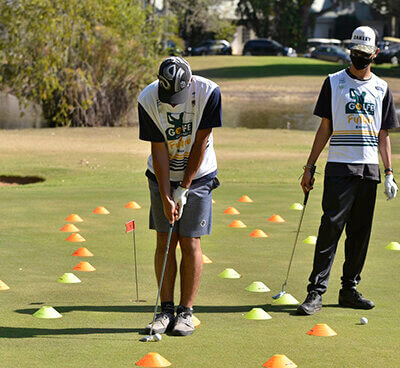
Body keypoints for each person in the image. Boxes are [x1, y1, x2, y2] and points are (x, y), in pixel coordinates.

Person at [297, 26, 399, 316]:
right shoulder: (333, 82)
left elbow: (383, 134)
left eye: (365, 54)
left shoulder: (381, 88)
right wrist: (309, 166)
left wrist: (389, 172)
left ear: (375, 54)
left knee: (360, 233)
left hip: (369, 169)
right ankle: (315, 292)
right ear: (349, 51)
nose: (359, 58)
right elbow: (325, 128)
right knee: (330, 229)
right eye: (355, 53)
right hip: (340, 166)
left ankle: (349, 289)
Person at [138, 56, 222, 335]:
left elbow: (201, 142)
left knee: (190, 241)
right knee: (165, 239)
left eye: (178, 97)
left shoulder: (209, 93)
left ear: (190, 83)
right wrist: (165, 194)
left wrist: (184, 188)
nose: (173, 103)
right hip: (161, 173)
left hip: (199, 175)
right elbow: (158, 149)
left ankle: (186, 313)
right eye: (169, 97)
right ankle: (165, 311)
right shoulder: (148, 99)